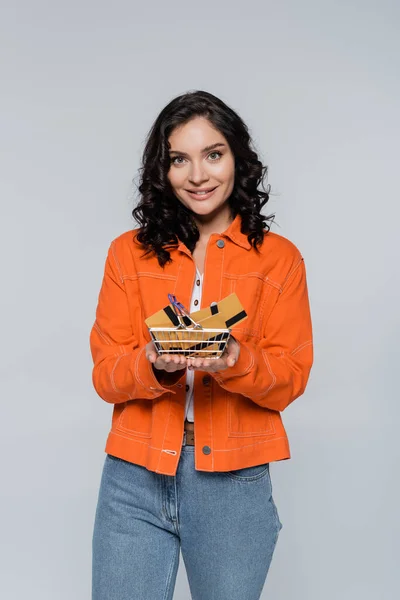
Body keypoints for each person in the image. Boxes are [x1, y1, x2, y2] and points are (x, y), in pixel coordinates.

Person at [89, 90, 314, 600]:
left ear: (238, 158)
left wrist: (235, 359)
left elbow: (291, 377)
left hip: (232, 485)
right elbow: (105, 374)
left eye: (213, 154)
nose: (198, 175)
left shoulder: (279, 261)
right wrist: (154, 363)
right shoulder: (128, 254)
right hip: (133, 476)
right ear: (162, 170)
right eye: (179, 159)